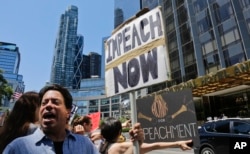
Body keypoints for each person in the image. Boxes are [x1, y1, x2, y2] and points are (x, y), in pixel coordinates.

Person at [3, 84, 99, 154]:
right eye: (44, 103)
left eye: (55, 102)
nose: (48, 105)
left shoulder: (85, 145)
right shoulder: (17, 147)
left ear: (68, 111)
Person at [99, 117, 192, 154]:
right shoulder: (119, 147)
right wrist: (178, 143)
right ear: (119, 132)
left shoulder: (103, 146)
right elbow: (155, 146)